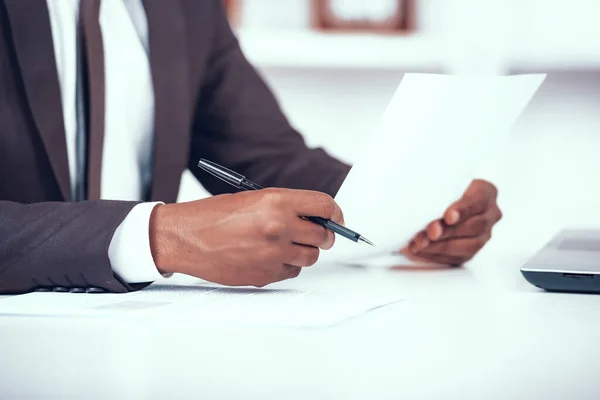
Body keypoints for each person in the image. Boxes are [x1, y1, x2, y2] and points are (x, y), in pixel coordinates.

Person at [0, 0, 502, 294]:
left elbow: (268, 158)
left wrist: (414, 202)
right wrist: (160, 237)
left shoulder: (186, 9)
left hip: (140, 346)